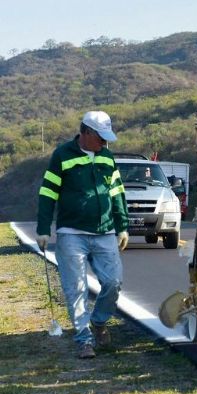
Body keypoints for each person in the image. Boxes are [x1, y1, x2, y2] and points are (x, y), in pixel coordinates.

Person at [36, 111, 129, 359]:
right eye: (101, 138)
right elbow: (47, 193)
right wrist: (43, 229)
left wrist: (122, 226)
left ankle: (98, 322)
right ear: (86, 133)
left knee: (113, 282)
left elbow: (117, 193)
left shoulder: (107, 158)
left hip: (105, 231)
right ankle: (84, 339)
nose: (104, 143)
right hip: (71, 233)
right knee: (76, 288)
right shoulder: (62, 155)